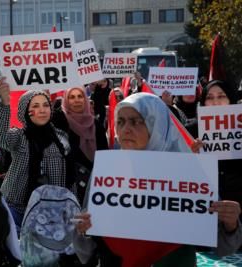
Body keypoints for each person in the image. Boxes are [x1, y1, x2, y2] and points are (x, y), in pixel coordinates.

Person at [73, 93, 242, 266]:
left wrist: (230, 224)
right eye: (121, 121)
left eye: (136, 121)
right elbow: (86, 252)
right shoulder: (107, 171)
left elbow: (224, 248)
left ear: (157, 125)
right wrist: (83, 231)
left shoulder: (189, 172)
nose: (125, 129)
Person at [0, 78, 75, 229]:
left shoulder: (61, 136)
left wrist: (72, 201)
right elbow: (0, 137)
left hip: (55, 208)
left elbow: (69, 173)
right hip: (19, 208)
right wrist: (4, 103)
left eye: (45, 105)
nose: (42, 110)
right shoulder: (19, 136)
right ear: (24, 110)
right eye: (35, 106)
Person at [52, 87, 108, 202]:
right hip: (66, 184)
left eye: (80, 96)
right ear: (66, 100)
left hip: (92, 183)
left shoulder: (96, 125)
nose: (76, 100)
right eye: (71, 97)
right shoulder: (59, 121)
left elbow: (104, 154)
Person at [200, 80, 242, 220]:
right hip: (204, 209)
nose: (215, 102)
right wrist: (190, 153)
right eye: (209, 98)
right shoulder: (191, 131)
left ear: (231, 99)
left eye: (221, 96)